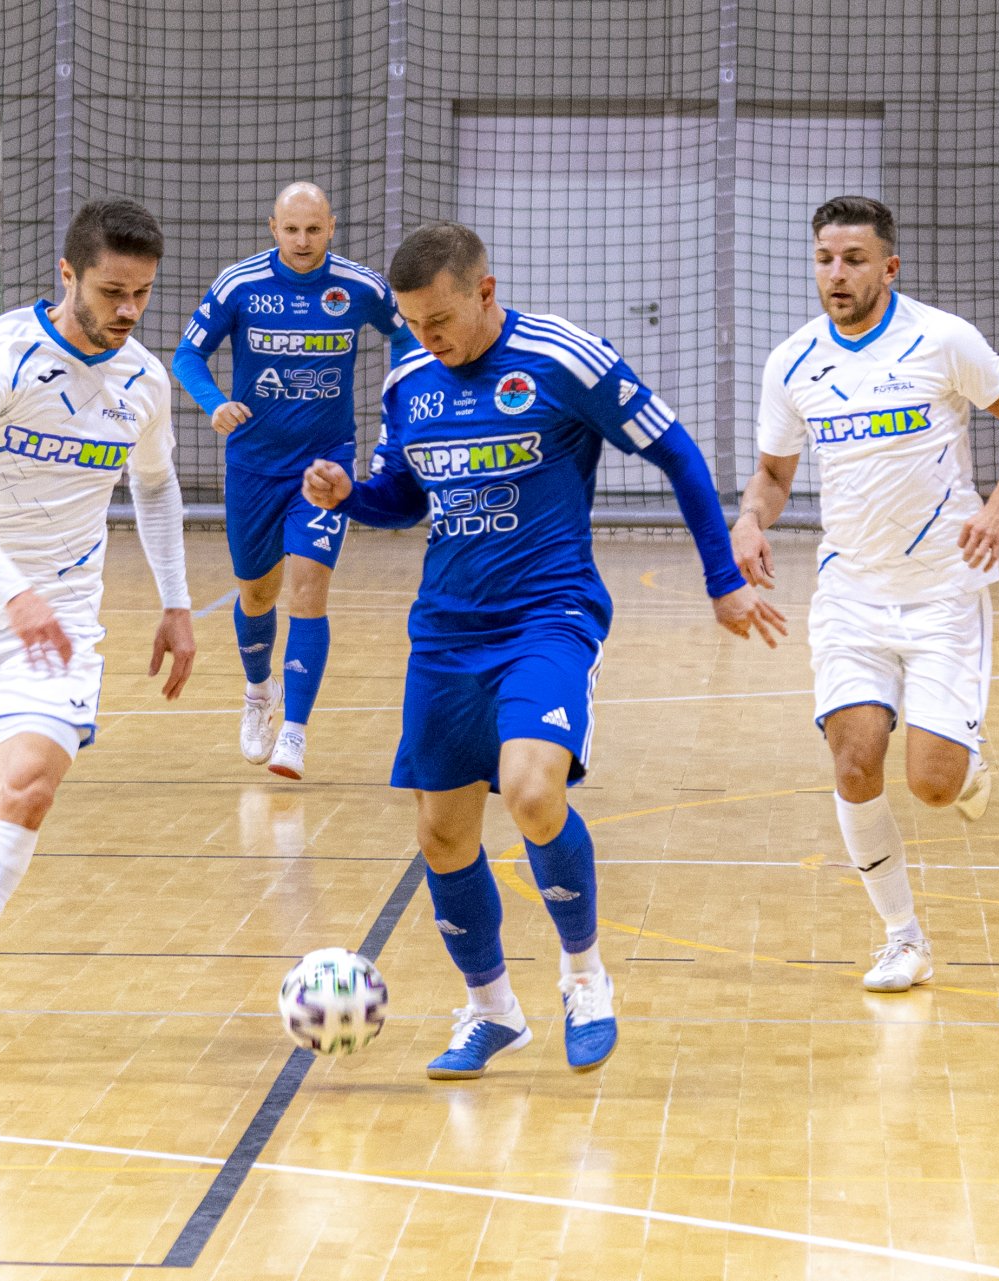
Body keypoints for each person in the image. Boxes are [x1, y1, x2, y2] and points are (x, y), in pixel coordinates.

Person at [304, 221, 785, 1079]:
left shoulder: (565, 357)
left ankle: (584, 977)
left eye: (440, 319)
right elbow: (403, 497)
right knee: (442, 835)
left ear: (485, 291)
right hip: (445, 630)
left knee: (531, 790)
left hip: (547, 616)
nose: (426, 337)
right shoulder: (410, 380)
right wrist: (349, 496)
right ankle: (492, 1010)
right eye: (412, 323)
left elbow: (676, 451)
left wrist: (723, 578)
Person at [0, 198, 197, 1050]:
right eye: (112, 291)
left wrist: (176, 600)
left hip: (61, 620)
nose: (129, 310)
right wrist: (12, 593)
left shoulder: (144, 383)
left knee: (35, 788)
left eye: (143, 293)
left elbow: (154, 484)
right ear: (67, 275)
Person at [733, 195, 999, 993]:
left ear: (889, 266)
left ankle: (965, 763)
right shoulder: (793, 362)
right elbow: (773, 473)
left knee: (934, 785)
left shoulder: (941, 339)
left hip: (944, 591)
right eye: (824, 259)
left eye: (853, 259)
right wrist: (749, 519)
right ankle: (902, 938)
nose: (836, 274)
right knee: (854, 763)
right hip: (851, 596)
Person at [174, 183, 416, 779]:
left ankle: (295, 734)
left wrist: (402, 408)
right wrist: (214, 403)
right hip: (253, 465)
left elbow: (407, 339)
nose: (302, 241)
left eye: (313, 229)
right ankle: (260, 692)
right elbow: (186, 355)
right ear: (272, 228)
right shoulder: (240, 285)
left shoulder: (361, 288)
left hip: (324, 465)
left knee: (309, 590)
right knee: (257, 595)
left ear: (331, 227)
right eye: (291, 229)